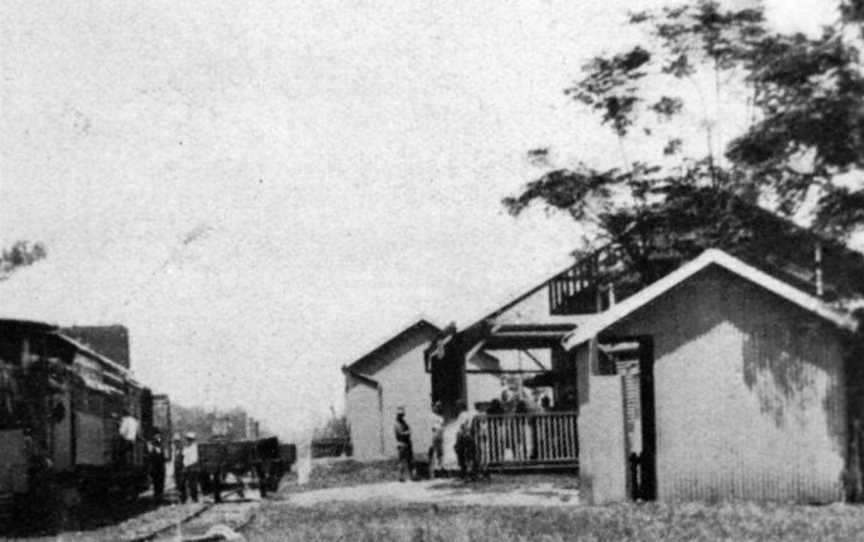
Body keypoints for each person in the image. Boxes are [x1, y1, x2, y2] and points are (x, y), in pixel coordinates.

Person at [180, 432, 200, 502]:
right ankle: (183, 498)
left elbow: (195, 459)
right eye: (187, 439)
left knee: (192, 484)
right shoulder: (185, 447)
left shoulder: (195, 447)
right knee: (182, 483)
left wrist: (188, 464)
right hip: (186, 466)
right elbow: (183, 456)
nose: (188, 440)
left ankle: (194, 498)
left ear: (192, 440)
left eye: (189, 439)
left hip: (192, 467)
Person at [394, 406, 413, 481]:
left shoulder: (404, 422)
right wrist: (407, 432)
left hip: (407, 443)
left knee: (410, 460)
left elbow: (409, 429)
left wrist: (408, 432)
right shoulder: (397, 424)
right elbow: (401, 433)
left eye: (402, 414)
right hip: (401, 443)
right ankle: (400, 477)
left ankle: (411, 476)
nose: (401, 416)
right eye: (400, 415)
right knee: (401, 461)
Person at [147, 433, 166, 500]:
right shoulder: (152, 447)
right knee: (156, 482)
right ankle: (156, 495)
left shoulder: (161, 447)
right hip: (155, 468)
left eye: (159, 438)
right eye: (158, 438)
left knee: (161, 481)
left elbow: (163, 457)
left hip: (161, 468)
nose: (159, 440)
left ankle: (160, 494)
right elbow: (150, 457)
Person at [428, 402, 444, 476]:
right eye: (437, 406)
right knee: (432, 452)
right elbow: (431, 427)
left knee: (440, 453)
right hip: (433, 436)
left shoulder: (441, 417)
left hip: (440, 436)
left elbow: (441, 426)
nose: (438, 408)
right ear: (433, 406)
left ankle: (440, 469)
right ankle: (432, 471)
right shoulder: (431, 416)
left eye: (439, 406)